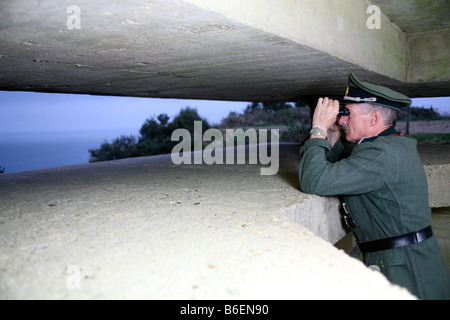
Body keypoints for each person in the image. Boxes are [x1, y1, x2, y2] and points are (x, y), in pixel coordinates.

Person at [298, 73, 450, 300]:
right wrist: (332, 140)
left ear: (374, 118)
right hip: (404, 262)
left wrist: (318, 129)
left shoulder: (382, 153)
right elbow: (347, 170)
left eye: (347, 113)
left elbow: (314, 180)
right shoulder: (388, 146)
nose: (341, 120)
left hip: (408, 274)